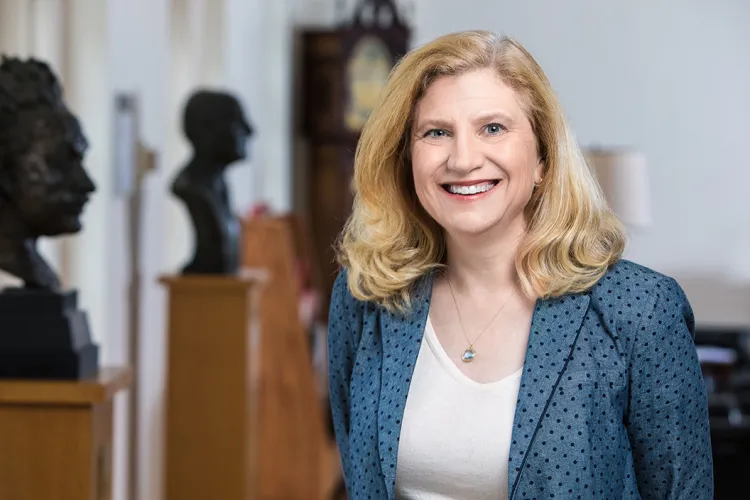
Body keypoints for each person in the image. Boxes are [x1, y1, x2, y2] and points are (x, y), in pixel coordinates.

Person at [327, 31, 713, 500]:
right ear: (406, 157)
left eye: (493, 128)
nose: (464, 159)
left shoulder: (639, 310)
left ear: (543, 160)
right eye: (437, 132)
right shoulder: (364, 296)